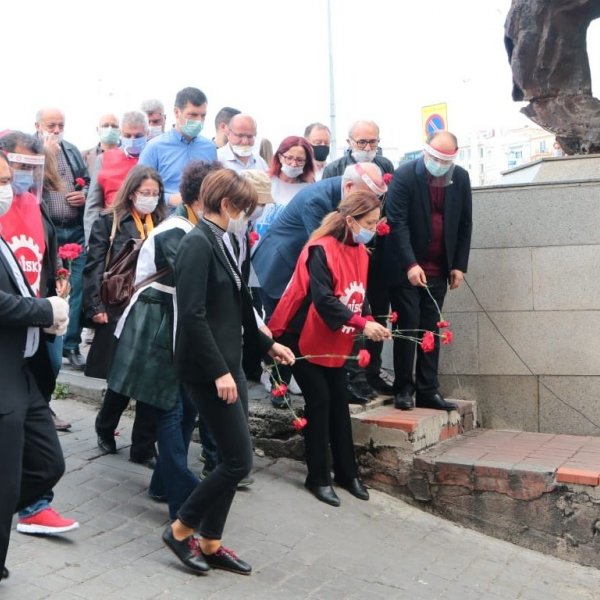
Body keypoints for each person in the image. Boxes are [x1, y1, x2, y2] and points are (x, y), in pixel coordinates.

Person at [162, 169, 294, 576]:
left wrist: (266, 344)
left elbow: (237, 307)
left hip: (230, 361)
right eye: (245, 209)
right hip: (207, 368)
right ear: (225, 205)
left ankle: (212, 541)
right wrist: (219, 370)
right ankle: (181, 530)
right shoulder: (197, 243)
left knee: (235, 457)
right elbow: (193, 315)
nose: (248, 217)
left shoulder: (227, 240)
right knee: (238, 461)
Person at [108, 161, 220, 520]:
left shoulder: (195, 228)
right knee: (171, 410)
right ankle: (182, 497)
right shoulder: (177, 231)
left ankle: (163, 483)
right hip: (156, 322)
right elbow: (203, 283)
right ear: (204, 196)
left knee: (185, 408)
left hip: (173, 321)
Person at [269, 190, 391, 506]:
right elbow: (323, 300)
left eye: (376, 222)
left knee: (339, 400)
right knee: (320, 400)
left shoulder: (362, 253)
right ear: (350, 220)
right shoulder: (319, 249)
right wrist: (364, 324)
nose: (373, 228)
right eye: (369, 222)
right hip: (301, 335)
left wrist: (370, 320)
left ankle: (347, 473)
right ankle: (318, 476)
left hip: (335, 337)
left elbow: (359, 294)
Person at [0, 133, 79, 534]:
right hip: (8, 338)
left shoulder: (36, 208)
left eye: (34, 168)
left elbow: (46, 261)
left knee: (42, 449)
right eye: (18, 167)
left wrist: (55, 291)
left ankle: (30, 502)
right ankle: (30, 505)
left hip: (36, 337)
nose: (24, 177)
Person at [384, 130, 472, 411]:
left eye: (445, 159)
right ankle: (403, 389)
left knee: (430, 328)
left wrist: (458, 265)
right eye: (434, 156)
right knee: (407, 324)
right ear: (425, 151)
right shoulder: (406, 175)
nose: (438, 163)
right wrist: (410, 264)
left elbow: (464, 225)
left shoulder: (460, 179)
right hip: (405, 266)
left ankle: (428, 389)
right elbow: (396, 223)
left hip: (438, 268)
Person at [84, 165, 166, 466]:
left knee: (150, 378)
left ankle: (143, 446)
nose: (151, 199)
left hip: (154, 307)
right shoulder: (111, 221)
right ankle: (105, 427)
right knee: (121, 375)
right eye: (146, 193)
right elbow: (93, 264)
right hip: (119, 305)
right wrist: (95, 307)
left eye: (155, 194)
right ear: (131, 192)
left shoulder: (162, 221)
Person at [252, 162, 386, 320]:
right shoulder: (318, 200)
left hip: (303, 268)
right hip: (281, 267)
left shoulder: (346, 192)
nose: (370, 203)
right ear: (349, 187)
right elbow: (326, 250)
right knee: (279, 328)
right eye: (366, 196)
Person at [35, 106, 90, 370]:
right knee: (51, 287)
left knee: (76, 287)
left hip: (74, 230)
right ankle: (48, 340)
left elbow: (87, 182)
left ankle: (71, 345)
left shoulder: (71, 150)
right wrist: (45, 155)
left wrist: (84, 195)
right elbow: (30, 185)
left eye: (60, 125)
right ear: (38, 126)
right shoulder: (32, 151)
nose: (56, 131)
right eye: (51, 126)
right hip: (49, 231)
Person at [139, 87, 216, 208]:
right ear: (176, 112)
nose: (199, 121)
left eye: (203, 116)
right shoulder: (154, 147)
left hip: (201, 220)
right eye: (193, 115)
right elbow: (139, 189)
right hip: (166, 218)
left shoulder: (210, 148)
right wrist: (170, 199)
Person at [84, 111, 148, 243]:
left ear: (147, 133)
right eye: (127, 135)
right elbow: (93, 204)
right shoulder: (104, 159)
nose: (132, 140)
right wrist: (91, 242)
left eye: (138, 136)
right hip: (113, 232)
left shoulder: (153, 156)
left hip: (148, 230)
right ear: (120, 133)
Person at [252, 135, 315, 242]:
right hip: (259, 244)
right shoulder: (265, 181)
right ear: (280, 157)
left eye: (300, 160)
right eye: (289, 158)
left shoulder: (308, 189)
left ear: (306, 162)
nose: (294, 164)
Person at [322, 120, 394, 179]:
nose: (368, 148)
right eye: (362, 142)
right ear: (349, 142)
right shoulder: (333, 170)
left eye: (373, 142)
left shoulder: (386, 165)